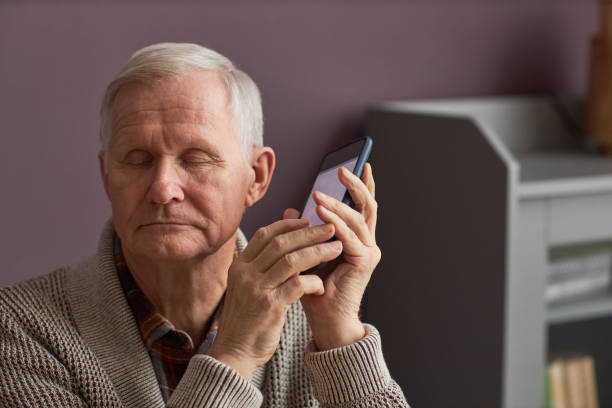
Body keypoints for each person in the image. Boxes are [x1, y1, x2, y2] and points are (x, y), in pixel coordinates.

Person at [0, 42, 409, 407]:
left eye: (196, 159)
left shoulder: (312, 319)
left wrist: (339, 335)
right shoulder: (19, 328)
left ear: (257, 177)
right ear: (107, 176)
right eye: (138, 160)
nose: (163, 189)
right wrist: (236, 352)